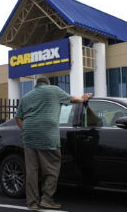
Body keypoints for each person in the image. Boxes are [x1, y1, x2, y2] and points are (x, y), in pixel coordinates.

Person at [14, 77, 92, 211]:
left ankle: (32, 203)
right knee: (52, 168)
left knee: (32, 171)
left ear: (37, 84)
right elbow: (74, 99)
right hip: (47, 135)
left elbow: (18, 117)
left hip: (29, 136)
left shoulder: (26, 96)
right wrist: (83, 98)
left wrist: (25, 130)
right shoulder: (54, 90)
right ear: (47, 84)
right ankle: (46, 199)